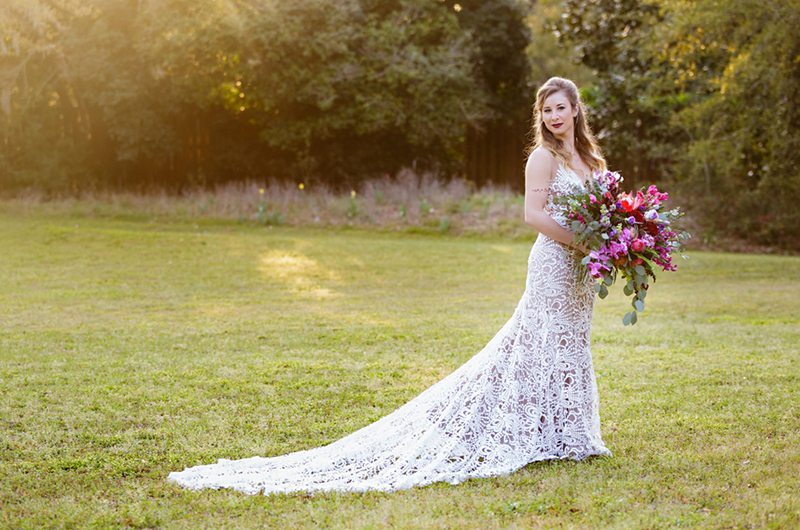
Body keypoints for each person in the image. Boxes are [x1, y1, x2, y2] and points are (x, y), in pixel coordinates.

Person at [167, 76, 612, 496]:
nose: (554, 116)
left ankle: (568, 433)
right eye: (547, 109)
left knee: (571, 342)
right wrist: (583, 242)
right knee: (537, 341)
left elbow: (601, 209)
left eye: (561, 108)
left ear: (576, 110)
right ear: (542, 116)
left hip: (581, 271)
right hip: (555, 263)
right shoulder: (543, 159)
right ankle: (517, 430)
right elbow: (532, 216)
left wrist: (608, 243)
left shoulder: (590, 161)